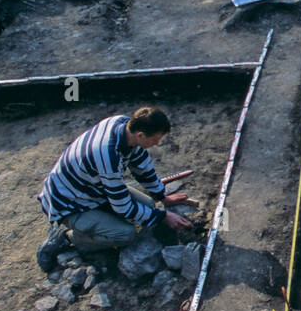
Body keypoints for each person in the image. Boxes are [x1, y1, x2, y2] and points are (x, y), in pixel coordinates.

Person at [35, 106, 191, 272]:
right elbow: (122, 207)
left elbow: (143, 167)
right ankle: (67, 238)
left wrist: (162, 197)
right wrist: (163, 216)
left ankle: (99, 220)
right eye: (155, 139)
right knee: (125, 234)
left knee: (149, 206)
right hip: (70, 203)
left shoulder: (124, 126)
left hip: (94, 188)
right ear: (140, 135)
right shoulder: (107, 155)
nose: (157, 144)